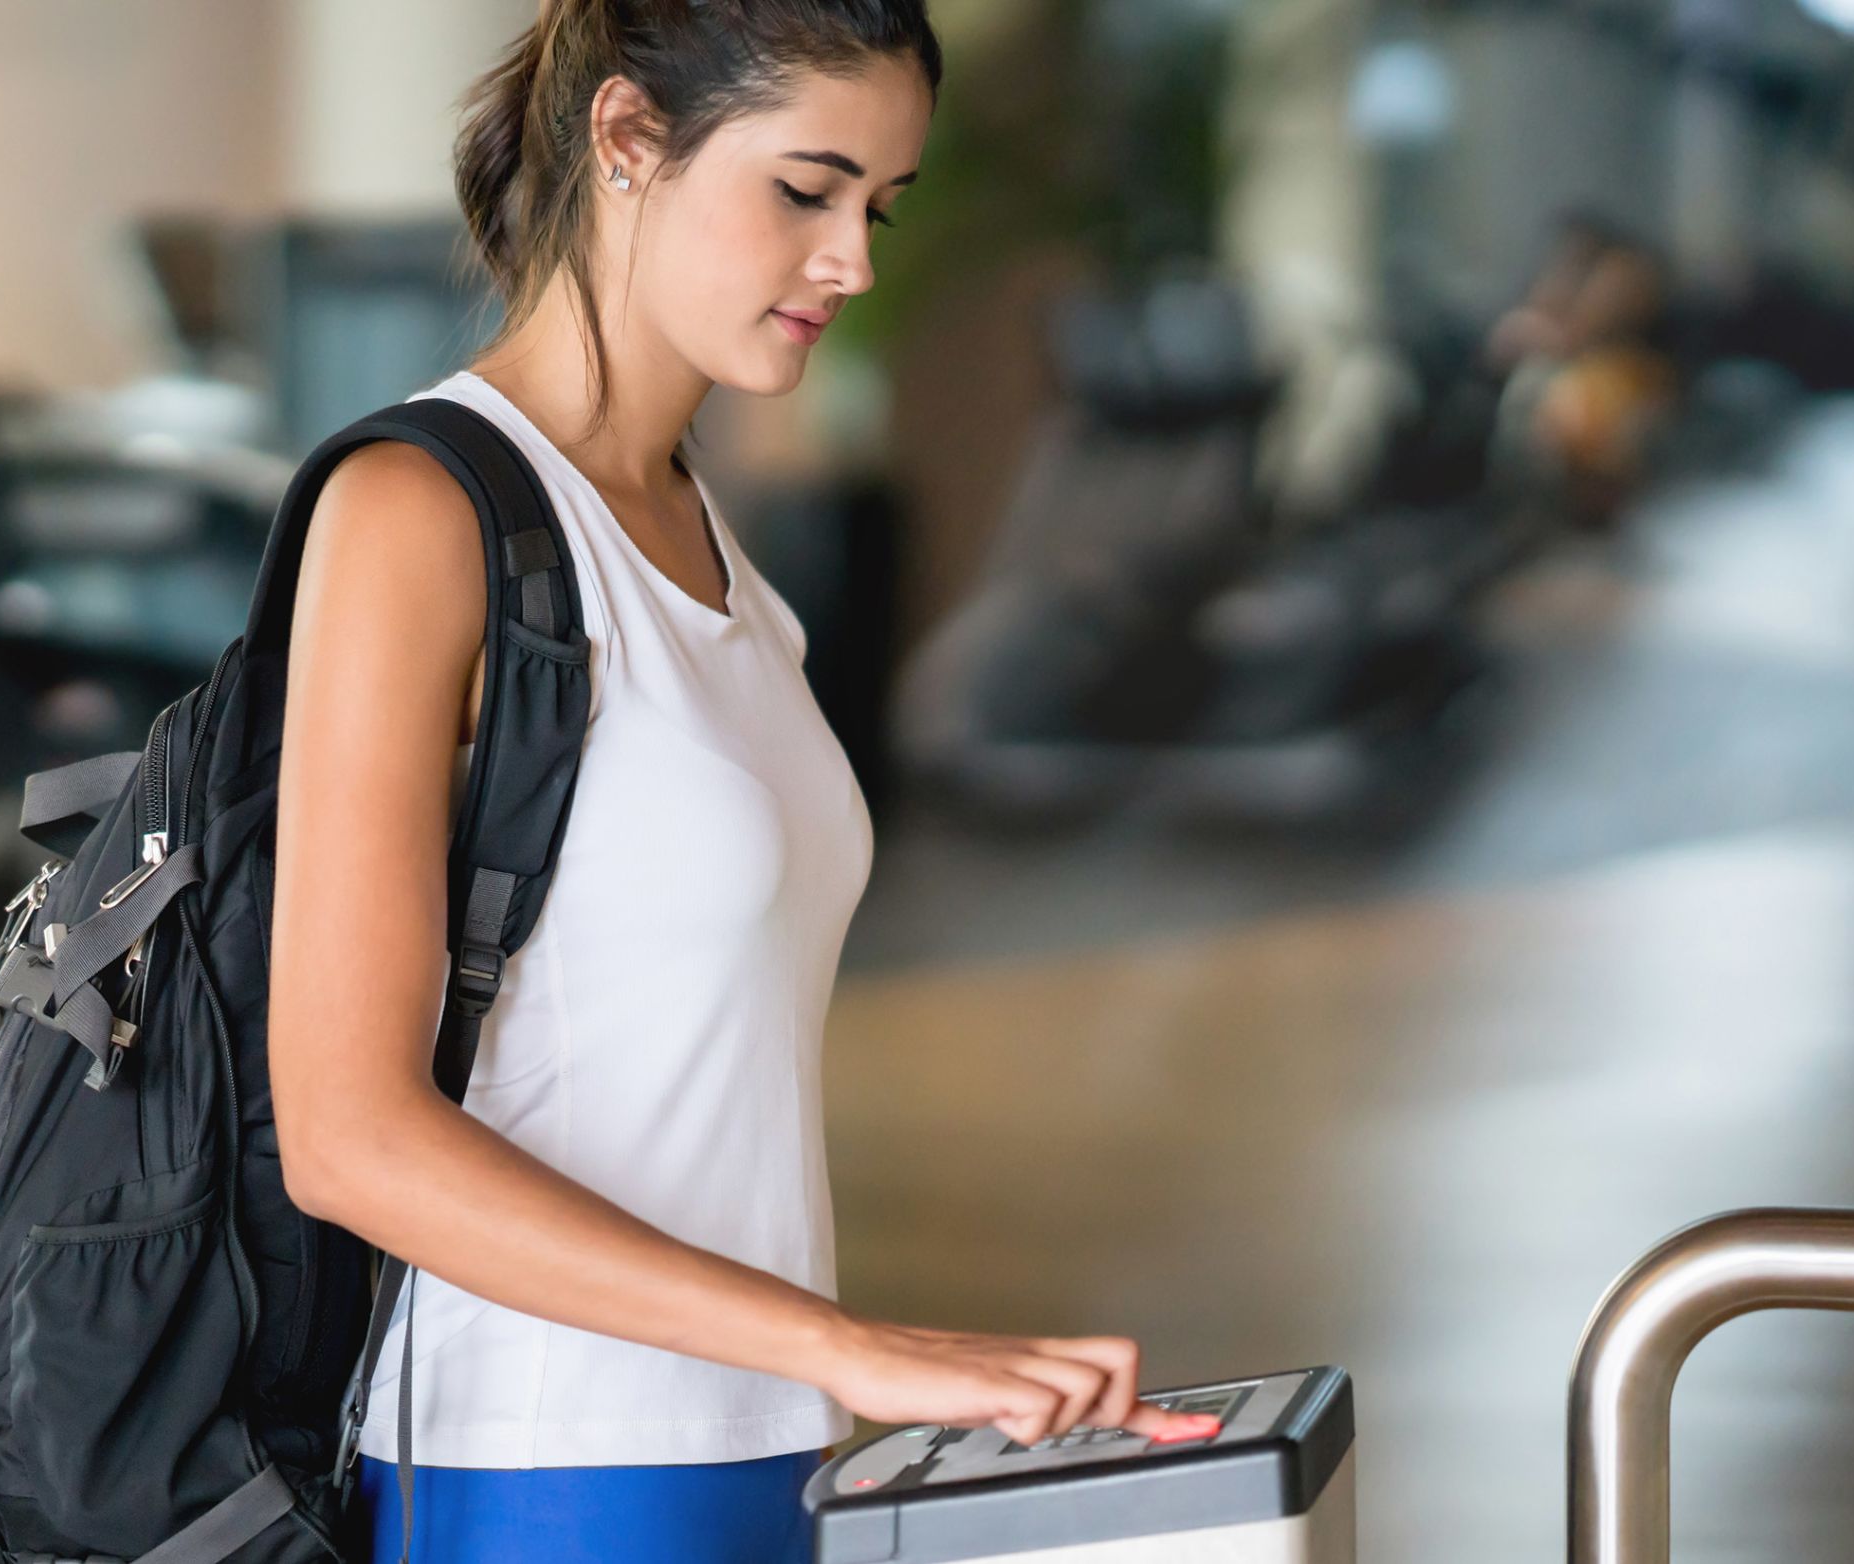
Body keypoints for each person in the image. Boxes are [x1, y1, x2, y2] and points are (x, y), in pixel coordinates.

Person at [264, 4, 1209, 1560]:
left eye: (877, 208)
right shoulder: (416, 512)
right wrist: (857, 1349)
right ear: (628, 139)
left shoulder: (704, 539)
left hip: (758, 1438)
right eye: (806, 190)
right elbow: (348, 1130)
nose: (854, 261)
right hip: (542, 1466)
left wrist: (828, 1363)